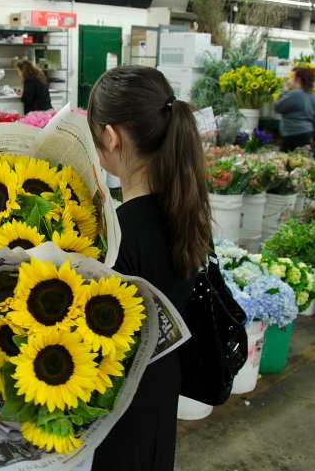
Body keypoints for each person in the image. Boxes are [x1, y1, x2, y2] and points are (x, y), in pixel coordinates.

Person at [86, 65, 212, 470]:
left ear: (111, 137)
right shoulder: (186, 208)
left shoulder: (122, 233)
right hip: (160, 385)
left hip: (120, 402)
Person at [274, 67, 315, 152]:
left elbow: (278, 107)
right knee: (301, 162)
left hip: (292, 133)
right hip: (307, 134)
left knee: (287, 162)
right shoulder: (313, 96)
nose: (290, 80)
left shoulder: (295, 94)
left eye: (292, 77)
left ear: (298, 79)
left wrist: (285, 91)